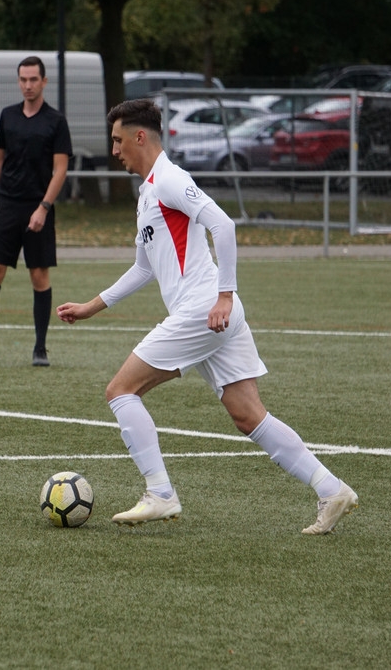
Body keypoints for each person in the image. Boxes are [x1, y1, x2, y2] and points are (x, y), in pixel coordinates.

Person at [56, 99, 358, 533]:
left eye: (118, 141)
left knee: (121, 390)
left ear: (140, 137)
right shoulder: (147, 194)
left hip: (204, 310)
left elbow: (225, 226)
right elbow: (144, 267)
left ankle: (160, 493)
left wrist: (224, 296)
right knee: (248, 415)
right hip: (209, 313)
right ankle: (332, 490)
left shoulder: (171, 180)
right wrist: (92, 306)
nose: (115, 150)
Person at [0, 55, 72, 367]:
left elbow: (60, 170)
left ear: (44, 81)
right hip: (6, 206)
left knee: (39, 275)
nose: (28, 85)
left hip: (38, 207)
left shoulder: (56, 121)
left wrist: (43, 208)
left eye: (33, 79)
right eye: (23, 80)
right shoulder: (7, 116)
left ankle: (40, 349)